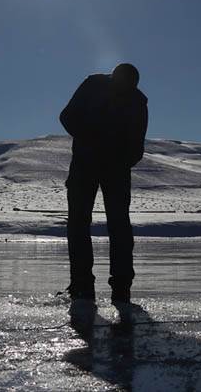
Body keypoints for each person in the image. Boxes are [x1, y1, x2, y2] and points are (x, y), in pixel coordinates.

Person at [59, 63, 148, 310]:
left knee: (119, 225)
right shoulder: (93, 85)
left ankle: (121, 286)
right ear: (114, 79)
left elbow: (137, 144)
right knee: (79, 223)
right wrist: (92, 138)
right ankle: (81, 284)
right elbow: (67, 116)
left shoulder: (138, 101)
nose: (126, 91)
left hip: (116, 170)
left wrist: (121, 160)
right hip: (84, 165)